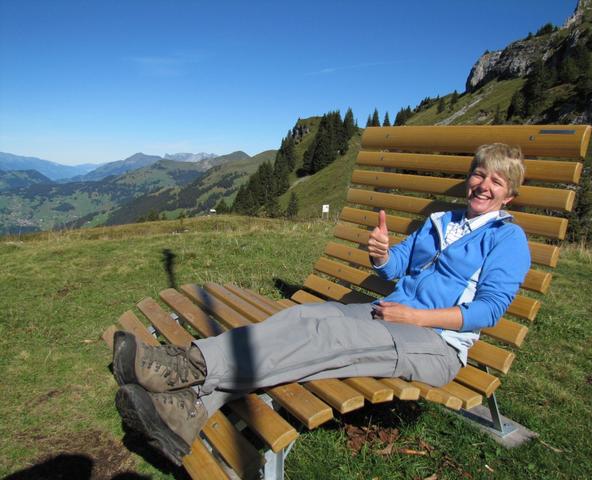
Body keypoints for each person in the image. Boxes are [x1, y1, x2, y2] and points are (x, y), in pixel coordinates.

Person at [112, 143, 531, 466]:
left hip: (435, 344)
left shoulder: (507, 239)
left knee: (326, 336)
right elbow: (397, 267)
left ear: (509, 196)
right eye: (479, 174)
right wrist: (382, 255)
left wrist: (416, 317)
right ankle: (190, 408)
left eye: (496, 182)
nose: (484, 185)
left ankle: (184, 369)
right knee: (303, 315)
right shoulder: (442, 222)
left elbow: (489, 310)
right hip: (389, 315)